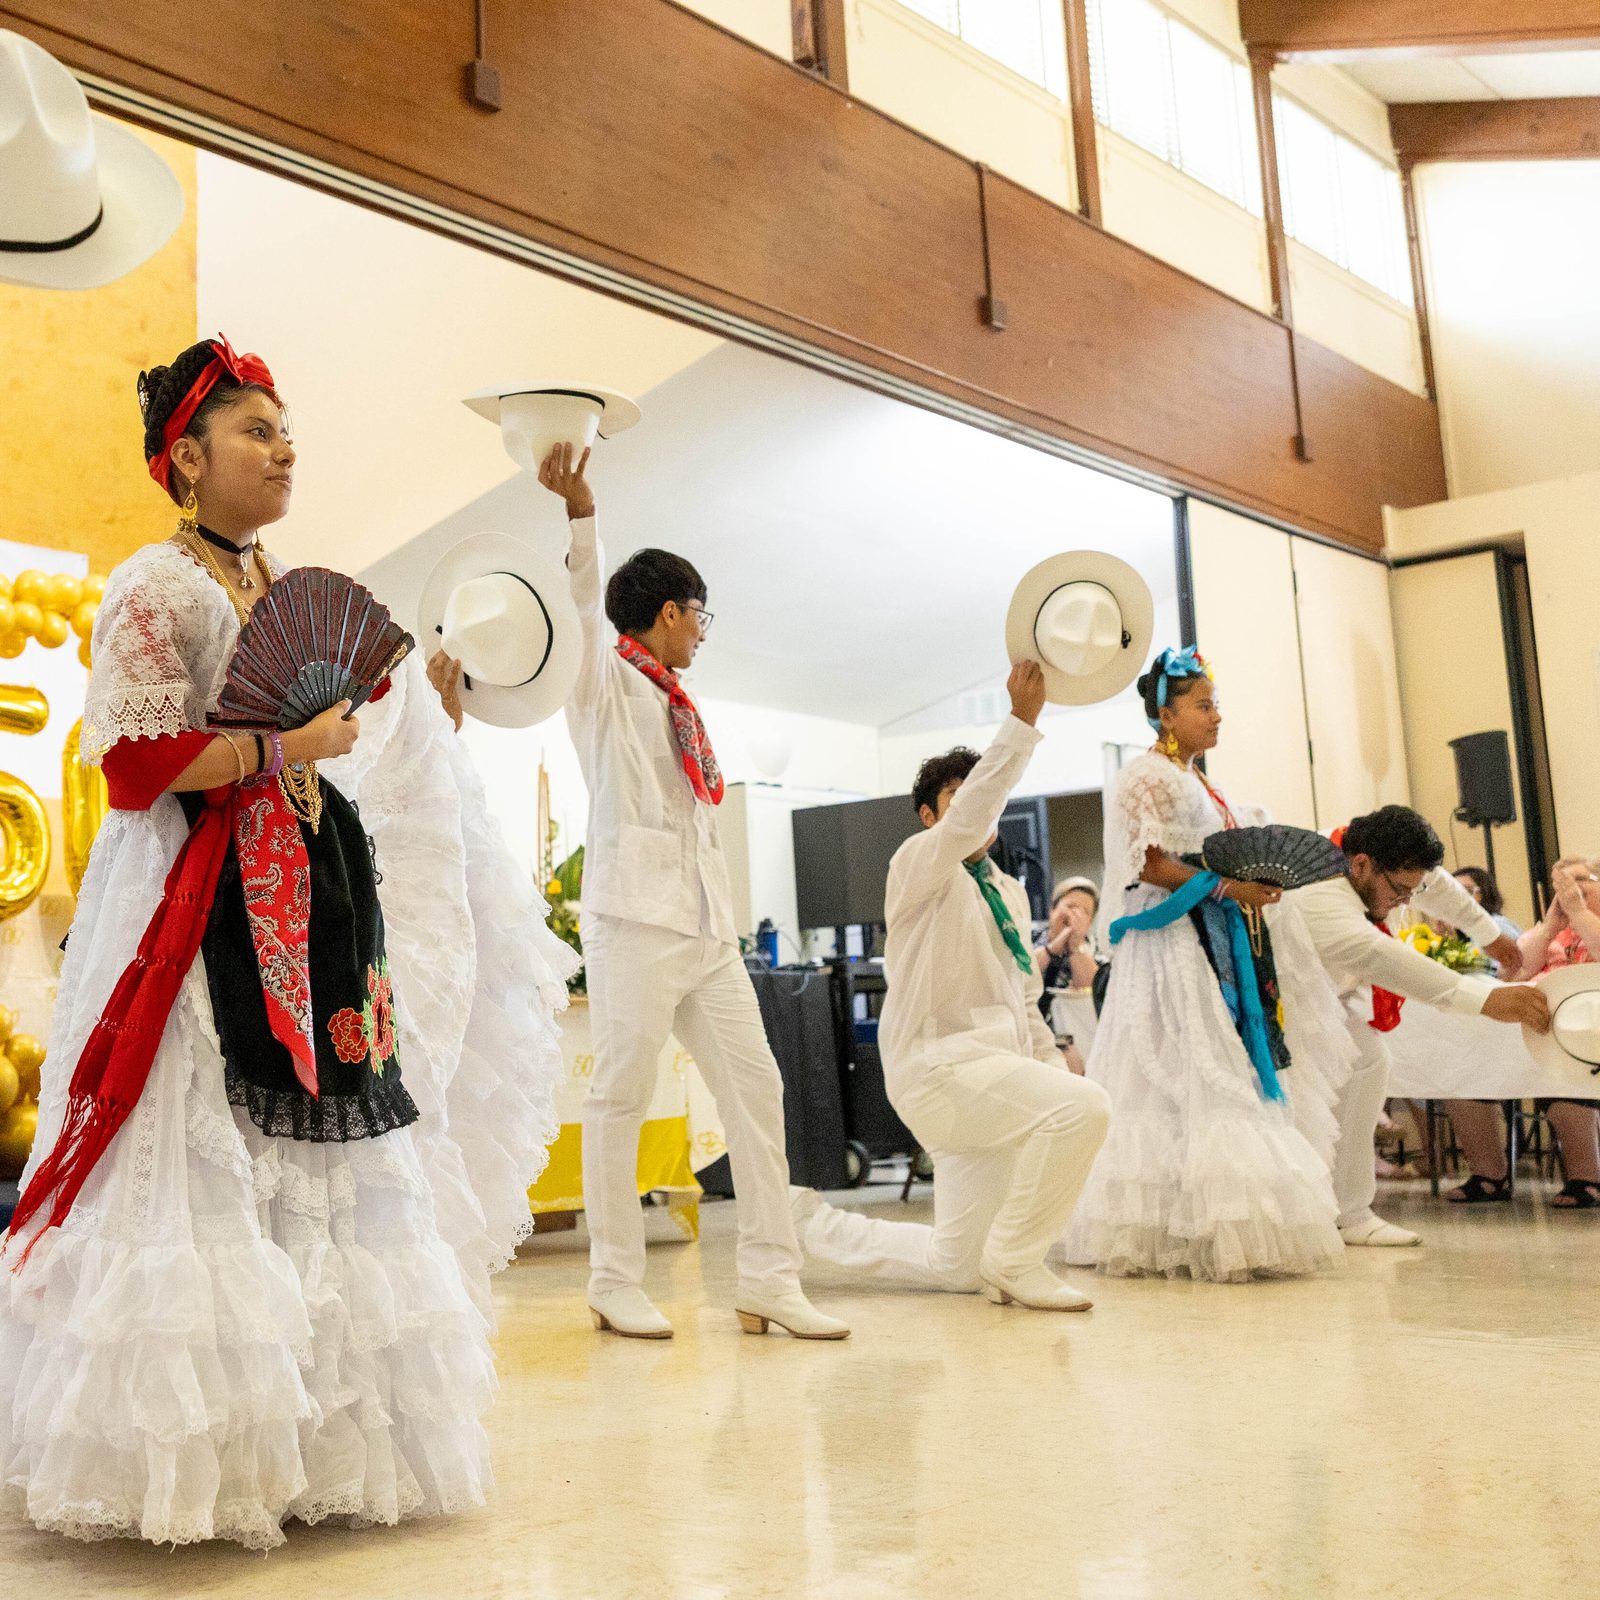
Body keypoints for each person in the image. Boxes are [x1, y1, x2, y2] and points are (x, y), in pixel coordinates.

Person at [0, 337, 572, 1548]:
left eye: (285, 427)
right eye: (255, 429)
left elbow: (339, 724)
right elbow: (139, 764)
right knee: (197, 1134)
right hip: (195, 893)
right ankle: (203, 1460)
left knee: (323, 1147)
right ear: (186, 461)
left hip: (308, 888)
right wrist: (282, 749)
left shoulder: (272, 579)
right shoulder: (152, 588)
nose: (282, 447)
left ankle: (317, 1439)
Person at [540, 442, 846, 1342]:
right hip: (633, 920)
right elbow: (584, 612)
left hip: (707, 930)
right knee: (619, 1098)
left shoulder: (679, 698)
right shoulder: (602, 682)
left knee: (760, 1092)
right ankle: (612, 1278)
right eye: (700, 615)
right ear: (670, 612)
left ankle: (768, 1279)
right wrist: (582, 514)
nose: (705, 631)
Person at [790, 663, 1111, 1310]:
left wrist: (1051, 1066)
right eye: (961, 803)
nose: (977, 816)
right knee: (1087, 1108)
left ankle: (799, 1224)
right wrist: (1020, 724)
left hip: (990, 1074)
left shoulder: (1011, 891)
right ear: (929, 815)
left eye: (983, 801)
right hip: (939, 1070)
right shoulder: (917, 863)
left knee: (959, 1266)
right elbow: (966, 823)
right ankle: (1019, 1260)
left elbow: (1023, 997)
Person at [1061, 647, 1355, 1282]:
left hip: (1212, 935)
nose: (1216, 716)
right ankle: (1178, 1226)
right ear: (1165, 714)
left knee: (1223, 1064)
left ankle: (1218, 1219)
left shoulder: (1198, 780)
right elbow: (1151, 864)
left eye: (1215, 703)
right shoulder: (1147, 777)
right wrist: (1228, 887)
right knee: (1192, 1067)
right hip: (1171, 945)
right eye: (1203, 705)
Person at [1288, 806, 1548, 1245]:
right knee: (1309, 1094)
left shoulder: (1360, 856)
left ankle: (1349, 1213)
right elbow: (1382, 958)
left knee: (1369, 1062)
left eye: (1412, 890)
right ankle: (1311, 1211)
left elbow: (1436, 886)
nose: (1407, 902)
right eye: (1400, 890)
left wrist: (1490, 934)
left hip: (1319, 991)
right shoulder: (1318, 891)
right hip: (1271, 1000)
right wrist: (1487, 999)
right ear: (1362, 864)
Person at [1445, 860, 1600, 1211]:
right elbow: (1514, 971)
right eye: (1560, 882)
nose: (1567, 889)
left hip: (1583, 1035)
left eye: (1579, 881)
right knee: (1463, 1074)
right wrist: (1549, 929)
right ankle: (1489, 1175)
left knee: (1563, 1088)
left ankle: (1587, 1178)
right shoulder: (1546, 931)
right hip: (1526, 1027)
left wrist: (1580, 914)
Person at [1036, 876, 1101, 1009]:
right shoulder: (1028, 936)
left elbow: (1096, 994)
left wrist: (1075, 946)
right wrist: (1052, 949)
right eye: (1071, 906)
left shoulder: (1098, 951)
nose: (1076, 915)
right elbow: (1018, 976)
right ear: (1052, 910)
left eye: (1085, 912)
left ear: (1090, 922)